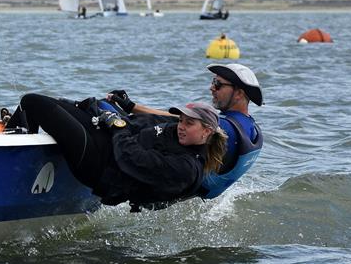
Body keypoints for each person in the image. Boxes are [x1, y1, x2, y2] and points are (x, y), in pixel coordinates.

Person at [7, 94, 226, 210]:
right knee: (50, 103)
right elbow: (138, 123)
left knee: (32, 102)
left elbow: (131, 158)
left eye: (189, 124)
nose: (181, 126)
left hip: (101, 168)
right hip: (106, 141)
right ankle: (14, 135)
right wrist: (109, 115)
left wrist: (118, 126)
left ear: (206, 132)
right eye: (182, 120)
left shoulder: (186, 168)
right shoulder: (176, 129)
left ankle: (9, 172)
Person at [106, 63, 263, 199]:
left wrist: (131, 108)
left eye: (218, 84)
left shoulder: (226, 128)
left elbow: (173, 119)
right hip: (201, 191)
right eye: (213, 82)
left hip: (180, 188)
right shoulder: (250, 126)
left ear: (240, 94)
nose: (211, 88)